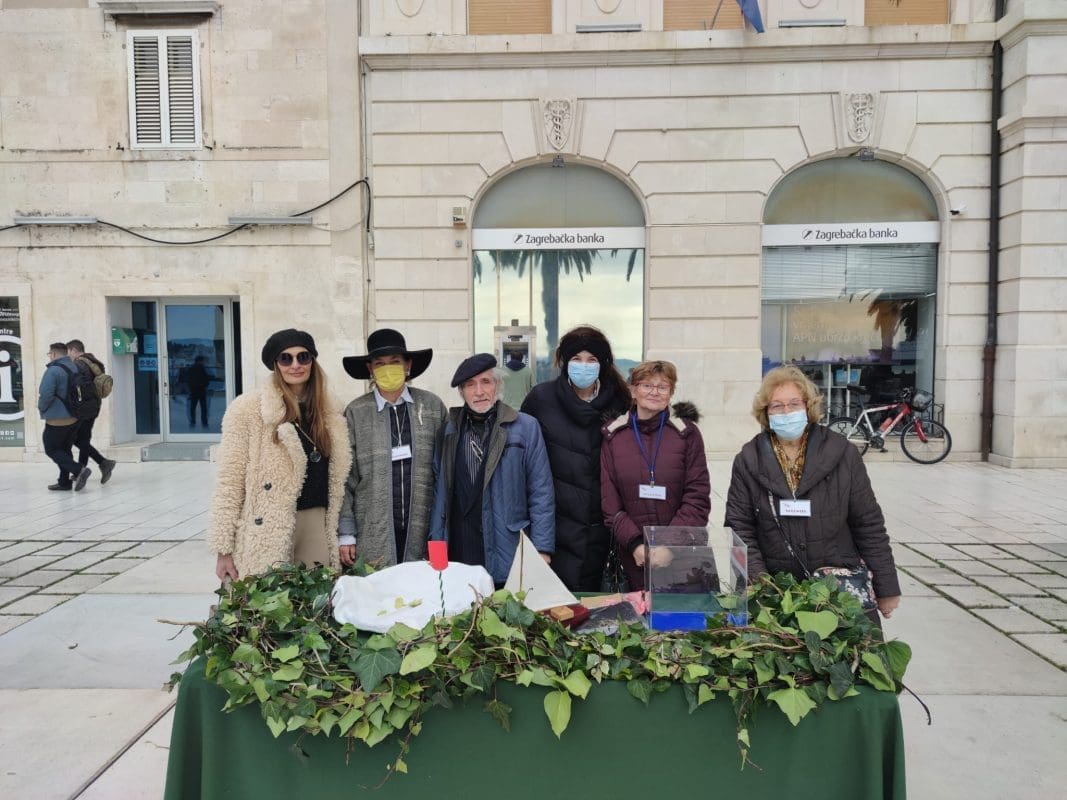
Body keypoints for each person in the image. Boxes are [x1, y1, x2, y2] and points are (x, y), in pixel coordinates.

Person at [723, 365, 901, 624]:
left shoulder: (843, 453)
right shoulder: (749, 459)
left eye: (794, 404)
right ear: (766, 412)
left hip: (838, 593)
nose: (786, 412)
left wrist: (886, 587)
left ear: (808, 406)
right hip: (777, 596)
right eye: (777, 406)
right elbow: (740, 528)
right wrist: (762, 585)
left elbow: (868, 523)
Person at [208, 329, 352, 582]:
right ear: (275, 365)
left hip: (317, 522)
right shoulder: (247, 409)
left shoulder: (330, 410)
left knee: (314, 600)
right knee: (267, 600)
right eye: (286, 358)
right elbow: (229, 482)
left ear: (312, 361)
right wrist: (223, 549)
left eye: (303, 357)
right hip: (269, 525)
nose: (295, 365)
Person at [520, 325, 631, 591]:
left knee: (597, 606)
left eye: (591, 360)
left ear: (602, 363)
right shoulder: (540, 399)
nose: (584, 366)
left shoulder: (620, 402)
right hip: (554, 528)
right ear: (564, 362)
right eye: (576, 358)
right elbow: (523, 460)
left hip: (602, 530)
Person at [428, 353, 555, 587]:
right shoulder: (447, 432)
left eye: (485, 382)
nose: (479, 392)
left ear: (498, 385)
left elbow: (541, 492)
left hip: (506, 548)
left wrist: (542, 549)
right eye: (470, 385)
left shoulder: (526, 428)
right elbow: (440, 497)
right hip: (460, 549)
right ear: (462, 392)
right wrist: (436, 554)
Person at [338, 329, 447, 569]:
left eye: (395, 361)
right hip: (372, 528)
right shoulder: (356, 412)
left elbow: (446, 471)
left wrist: (445, 528)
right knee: (376, 586)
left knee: (425, 585)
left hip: (427, 527)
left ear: (408, 365)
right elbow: (345, 477)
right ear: (370, 369)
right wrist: (346, 533)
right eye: (380, 363)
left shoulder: (432, 406)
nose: (388, 368)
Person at [601, 360, 711, 591]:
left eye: (662, 387)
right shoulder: (614, 436)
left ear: (671, 393)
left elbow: (697, 496)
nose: (654, 392)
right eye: (647, 385)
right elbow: (610, 503)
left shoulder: (687, 434)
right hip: (634, 557)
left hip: (683, 558)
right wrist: (635, 544)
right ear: (633, 391)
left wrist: (670, 546)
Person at [38, 342, 93, 492]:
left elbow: (46, 394)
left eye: (49, 354)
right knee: (64, 449)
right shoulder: (74, 367)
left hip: (58, 418)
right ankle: (64, 482)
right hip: (74, 416)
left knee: (51, 449)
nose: (49, 357)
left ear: (54, 354)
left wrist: (41, 408)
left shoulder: (53, 371)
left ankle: (79, 470)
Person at [66, 339, 117, 484]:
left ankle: (101, 463)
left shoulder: (79, 364)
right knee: (83, 439)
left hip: (84, 407)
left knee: (75, 438)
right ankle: (82, 470)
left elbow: (78, 386)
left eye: (68, 352)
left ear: (73, 350)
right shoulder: (93, 361)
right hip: (94, 405)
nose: (68, 356)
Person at [186, 355, 212, 428]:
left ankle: (192, 422)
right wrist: (206, 384)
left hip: (193, 390)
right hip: (201, 390)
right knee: (203, 407)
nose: (204, 362)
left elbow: (188, 380)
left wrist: (190, 388)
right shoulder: (202, 368)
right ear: (200, 361)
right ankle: (204, 423)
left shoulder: (191, 368)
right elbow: (206, 378)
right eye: (203, 361)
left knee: (193, 407)